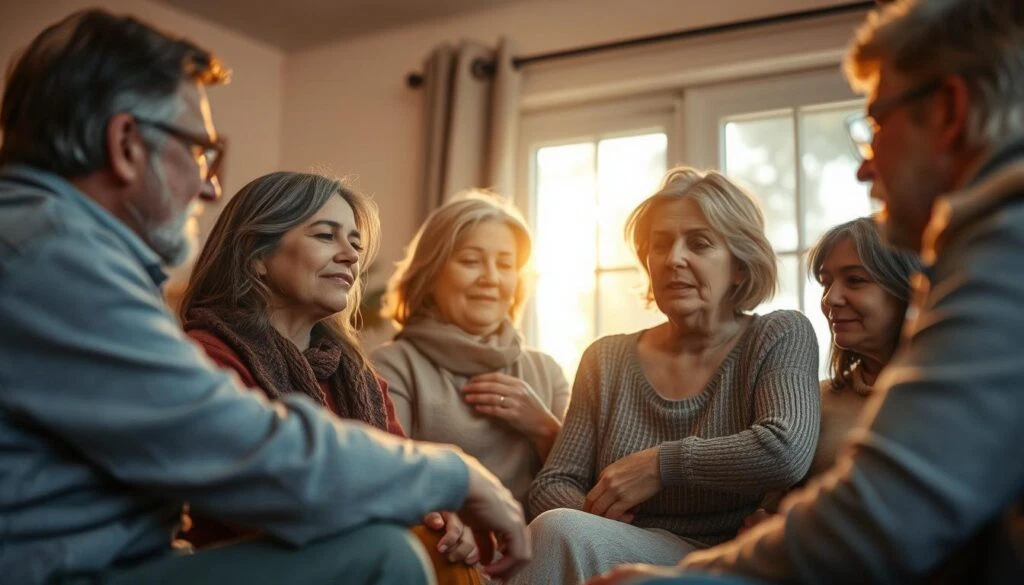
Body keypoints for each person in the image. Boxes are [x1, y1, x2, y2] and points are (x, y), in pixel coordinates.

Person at [0, 10, 528, 585]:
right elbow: (229, 445)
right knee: (387, 556)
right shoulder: (49, 254)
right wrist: (450, 472)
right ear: (126, 143)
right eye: (201, 151)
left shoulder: (51, 243)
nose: (210, 185)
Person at [588, 1, 1024, 584]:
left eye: (875, 126)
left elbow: (887, 514)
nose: (865, 170)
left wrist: (697, 579)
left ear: (948, 110)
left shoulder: (1006, 244)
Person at [510, 166, 822, 585]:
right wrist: (607, 520)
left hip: (730, 559)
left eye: (699, 243)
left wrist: (661, 465)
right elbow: (553, 482)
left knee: (559, 531)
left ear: (740, 266)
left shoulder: (778, 334)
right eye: (661, 245)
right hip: (625, 545)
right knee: (557, 528)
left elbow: (785, 449)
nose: (674, 258)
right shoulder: (607, 358)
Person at [178, 171, 483, 582]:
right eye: (326, 236)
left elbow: (398, 474)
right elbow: (267, 507)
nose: (351, 256)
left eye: (355, 244)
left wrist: (440, 519)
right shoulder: (207, 356)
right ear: (255, 254)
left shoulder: (358, 376)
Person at [372, 192, 571, 506]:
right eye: (470, 261)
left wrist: (544, 429)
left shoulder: (546, 371)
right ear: (431, 273)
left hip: (539, 544)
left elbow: (582, 492)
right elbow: (389, 481)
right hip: (443, 542)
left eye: (505, 264)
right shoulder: (392, 365)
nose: (491, 278)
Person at [739, 216, 920, 534]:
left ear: (905, 289)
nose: (830, 299)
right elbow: (763, 514)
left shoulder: (944, 396)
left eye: (855, 280)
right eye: (826, 282)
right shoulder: (813, 402)